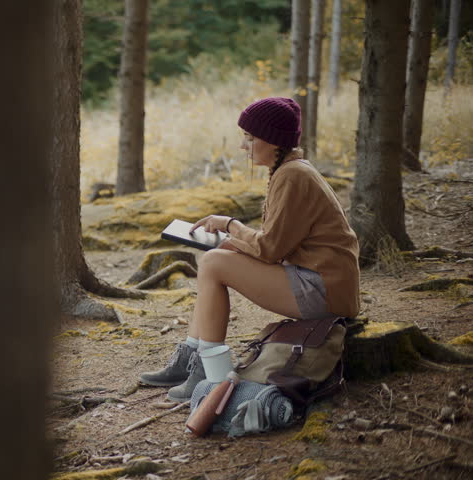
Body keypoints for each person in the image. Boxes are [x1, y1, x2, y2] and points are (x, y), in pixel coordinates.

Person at [139, 97, 361, 402]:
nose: (244, 146)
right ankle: (190, 358)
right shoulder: (290, 170)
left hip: (322, 289)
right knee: (216, 259)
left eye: (250, 138)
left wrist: (232, 227)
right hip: (317, 280)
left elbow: (270, 248)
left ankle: (208, 373)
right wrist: (235, 239)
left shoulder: (293, 175)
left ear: (272, 141)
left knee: (215, 262)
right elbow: (279, 242)